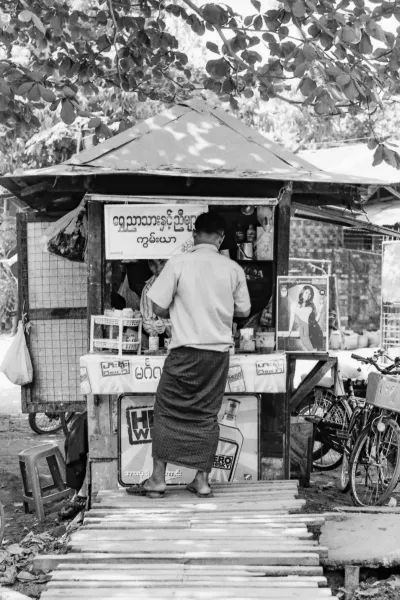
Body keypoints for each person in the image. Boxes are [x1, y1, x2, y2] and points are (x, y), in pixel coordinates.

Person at [126, 212, 251, 499]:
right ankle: (202, 480)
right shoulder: (232, 268)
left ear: (194, 235)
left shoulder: (178, 263)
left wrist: (182, 303)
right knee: (206, 415)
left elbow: (156, 308)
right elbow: (243, 311)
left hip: (183, 354)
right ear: (220, 238)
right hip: (217, 356)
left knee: (167, 411)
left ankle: (158, 479)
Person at [140, 259, 171, 339]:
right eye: (152, 263)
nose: (160, 266)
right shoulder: (149, 288)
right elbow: (147, 320)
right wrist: (155, 326)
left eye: (163, 261)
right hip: (173, 340)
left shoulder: (182, 279)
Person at [288, 285, 324, 351]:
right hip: (305, 332)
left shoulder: (311, 306)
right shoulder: (295, 304)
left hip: (315, 332)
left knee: (315, 352)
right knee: (309, 351)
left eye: (310, 294)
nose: (308, 295)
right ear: (302, 292)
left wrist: (320, 311)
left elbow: (316, 320)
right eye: (306, 292)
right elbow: (292, 319)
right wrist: (289, 332)